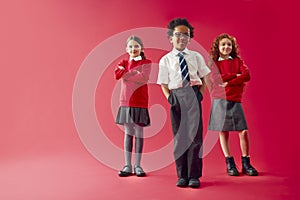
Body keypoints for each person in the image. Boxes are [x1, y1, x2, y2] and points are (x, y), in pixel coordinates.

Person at [157, 18, 210, 188]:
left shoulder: (196, 56)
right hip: (176, 96)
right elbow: (163, 83)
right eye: (177, 35)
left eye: (185, 35)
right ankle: (182, 175)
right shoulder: (165, 60)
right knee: (180, 138)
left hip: (193, 94)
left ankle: (194, 176)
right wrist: (169, 97)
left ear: (190, 38)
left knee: (194, 137)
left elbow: (204, 76)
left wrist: (200, 94)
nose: (182, 38)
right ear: (170, 38)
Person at [208, 33, 258, 176]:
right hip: (219, 99)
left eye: (229, 44)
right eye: (223, 44)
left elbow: (246, 76)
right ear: (218, 47)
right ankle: (229, 162)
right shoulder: (214, 63)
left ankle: (246, 162)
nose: (226, 47)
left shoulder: (238, 61)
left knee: (243, 131)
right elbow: (216, 78)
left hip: (235, 99)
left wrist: (229, 82)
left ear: (233, 47)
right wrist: (235, 76)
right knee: (223, 131)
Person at [114, 35, 152, 177]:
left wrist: (127, 74)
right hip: (125, 102)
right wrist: (133, 73)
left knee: (139, 133)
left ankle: (138, 166)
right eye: (130, 46)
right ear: (126, 49)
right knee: (128, 133)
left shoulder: (146, 62)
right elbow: (117, 74)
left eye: (136, 46)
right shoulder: (123, 62)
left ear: (141, 48)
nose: (133, 49)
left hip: (140, 101)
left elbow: (143, 78)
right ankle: (127, 165)